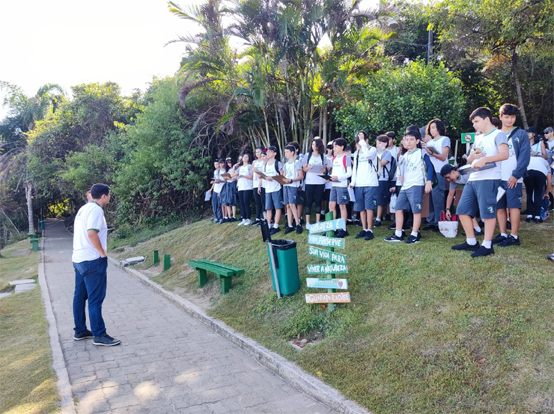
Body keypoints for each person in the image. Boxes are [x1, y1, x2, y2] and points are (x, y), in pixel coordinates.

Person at [452, 107, 509, 257]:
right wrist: (473, 157)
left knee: (487, 213)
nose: (474, 125)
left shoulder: (499, 134)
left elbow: (505, 154)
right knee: (462, 210)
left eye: (476, 121)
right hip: (473, 178)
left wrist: (485, 159)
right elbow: (470, 158)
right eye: (473, 122)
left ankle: (487, 245)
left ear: (486, 119)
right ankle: (471, 241)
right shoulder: (478, 138)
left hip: (489, 178)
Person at [72, 183, 120, 346]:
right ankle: (99, 335)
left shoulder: (83, 209)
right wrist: (102, 253)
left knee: (79, 297)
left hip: (79, 259)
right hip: (92, 260)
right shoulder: (96, 210)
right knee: (95, 299)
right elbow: (92, 233)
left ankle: (80, 330)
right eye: (109, 194)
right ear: (104, 196)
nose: (110, 197)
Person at [385, 130, 433, 244]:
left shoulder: (421, 152)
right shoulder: (405, 155)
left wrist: (429, 181)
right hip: (404, 186)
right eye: (406, 140)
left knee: (416, 210)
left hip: (416, 185)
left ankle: (414, 234)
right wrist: (400, 178)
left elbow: (430, 167)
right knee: (398, 208)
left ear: (417, 141)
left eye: (412, 139)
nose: (409, 142)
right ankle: (398, 234)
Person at [491, 103, 530, 247]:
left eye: (512, 117)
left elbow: (524, 157)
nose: (509, 120)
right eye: (507, 117)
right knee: (499, 206)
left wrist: (516, 175)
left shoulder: (521, 134)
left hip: (513, 178)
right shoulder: (495, 134)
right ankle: (503, 234)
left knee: (514, 206)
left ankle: (514, 236)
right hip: (497, 177)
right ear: (500, 117)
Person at [422, 119, 451, 232]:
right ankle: (431, 221)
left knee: (437, 197)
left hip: (440, 171)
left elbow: (443, 157)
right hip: (430, 173)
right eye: (430, 128)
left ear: (439, 128)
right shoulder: (429, 143)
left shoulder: (445, 139)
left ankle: (439, 221)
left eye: (434, 127)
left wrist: (432, 153)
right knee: (429, 198)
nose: (432, 130)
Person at [350, 131, 378, 240]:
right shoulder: (356, 153)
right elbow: (354, 169)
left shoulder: (372, 150)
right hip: (359, 184)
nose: (359, 144)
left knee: (369, 207)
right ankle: (364, 228)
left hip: (370, 183)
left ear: (366, 140)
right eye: (357, 142)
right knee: (361, 208)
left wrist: (363, 143)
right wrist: (353, 183)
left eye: (361, 141)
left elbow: (367, 155)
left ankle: (370, 229)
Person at [441, 164, 482, 234]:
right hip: (472, 190)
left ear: (453, 172)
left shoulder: (467, 173)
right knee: (466, 208)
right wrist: (447, 209)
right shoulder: (453, 181)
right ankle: (476, 229)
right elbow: (450, 195)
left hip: (479, 187)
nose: (448, 180)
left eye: (448, 177)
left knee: (467, 208)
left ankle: (477, 229)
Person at [328, 138, 352, 238]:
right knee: (331, 206)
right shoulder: (334, 158)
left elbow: (349, 173)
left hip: (342, 185)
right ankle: (333, 228)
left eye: (336, 146)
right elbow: (333, 172)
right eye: (333, 146)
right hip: (334, 185)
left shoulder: (346, 158)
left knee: (342, 206)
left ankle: (343, 229)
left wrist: (338, 177)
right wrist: (328, 178)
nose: (334, 148)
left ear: (342, 147)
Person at [303, 137, 327, 228]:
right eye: (313, 144)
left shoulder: (323, 156)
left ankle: (318, 221)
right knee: (309, 201)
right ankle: (308, 222)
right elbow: (304, 169)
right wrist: (308, 168)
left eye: (316, 145)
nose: (314, 146)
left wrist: (323, 170)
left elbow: (325, 169)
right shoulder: (307, 155)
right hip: (309, 181)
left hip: (320, 181)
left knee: (318, 201)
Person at [260, 146, 284, 235]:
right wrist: (263, 177)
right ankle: (269, 225)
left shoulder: (277, 163)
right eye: (267, 152)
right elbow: (263, 175)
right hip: (268, 189)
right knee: (268, 208)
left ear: (274, 153)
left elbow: (282, 175)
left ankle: (276, 226)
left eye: (270, 152)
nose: (268, 153)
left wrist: (272, 178)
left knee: (277, 207)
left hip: (276, 188)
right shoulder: (265, 164)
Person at [524, 150, 552, 223]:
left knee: (529, 194)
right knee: (538, 195)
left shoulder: (529, 159)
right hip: (540, 174)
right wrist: (546, 193)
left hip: (528, 172)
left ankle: (529, 216)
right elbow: (549, 181)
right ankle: (537, 217)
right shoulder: (545, 162)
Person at [283, 145, 304, 234]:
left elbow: (301, 176)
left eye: (287, 152)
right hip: (286, 185)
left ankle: (298, 223)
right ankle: (290, 224)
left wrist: (291, 180)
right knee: (288, 205)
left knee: (292, 204)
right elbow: (284, 175)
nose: (286, 154)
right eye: (285, 152)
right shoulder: (286, 164)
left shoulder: (297, 162)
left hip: (293, 186)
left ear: (292, 152)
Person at [234, 153, 254, 226]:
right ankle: (243, 218)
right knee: (241, 203)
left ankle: (248, 219)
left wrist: (244, 176)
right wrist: (234, 167)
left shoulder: (250, 166)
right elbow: (232, 174)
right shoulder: (240, 168)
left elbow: (251, 176)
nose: (245, 158)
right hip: (241, 186)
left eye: (246, 157)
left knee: (246, 202)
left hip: (248, 186)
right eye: (243, 157)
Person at [252, 147, 266, 226]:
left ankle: (264, 218)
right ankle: (257, 218)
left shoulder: (264, 161)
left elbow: (263, 173)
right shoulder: (254, 162)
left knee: (263, 201)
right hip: (255, 183)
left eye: (259, 152)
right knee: (257, 202)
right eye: (256, 152)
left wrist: (258, 172)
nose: (257, 154)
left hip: (262, 183)